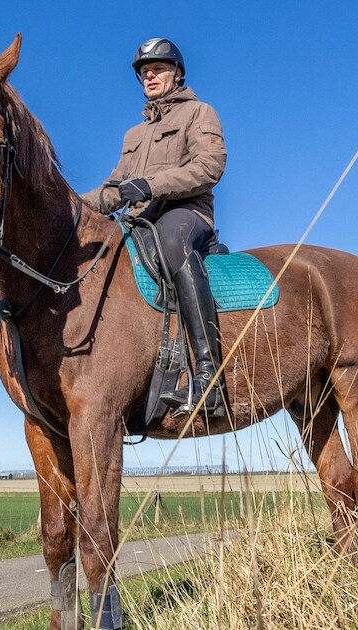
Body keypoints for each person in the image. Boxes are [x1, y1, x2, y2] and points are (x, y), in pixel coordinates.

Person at [82, 37, 228, 417]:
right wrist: (70, 205)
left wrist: (152, 185)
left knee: (171, 243)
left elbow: (210, 166)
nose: (149, 75)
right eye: (144, 71)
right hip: (140, 219)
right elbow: (114, 188)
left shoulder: (199, 113)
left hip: (186, 212)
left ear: (177, 74)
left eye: (158, 69)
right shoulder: (134, 134)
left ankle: (209, 381)